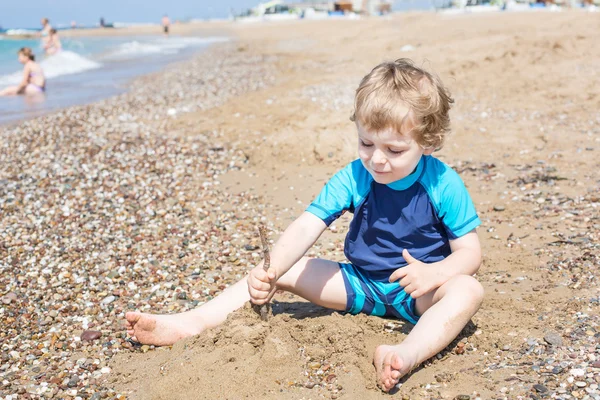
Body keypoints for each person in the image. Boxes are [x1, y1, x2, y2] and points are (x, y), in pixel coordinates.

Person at [125, 58, 484, 392]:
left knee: (467, 290)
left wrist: (435, 274)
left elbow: (469, 252)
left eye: (394, 150)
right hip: (359, 284)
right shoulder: (356, 176)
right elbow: (308, 224)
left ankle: (404, 353)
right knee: (287, 267)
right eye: (366, 143)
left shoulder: (442, 184)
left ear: (426, 141)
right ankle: (193, 321)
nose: (376, 158)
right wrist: (274, 270)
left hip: (417, 293)